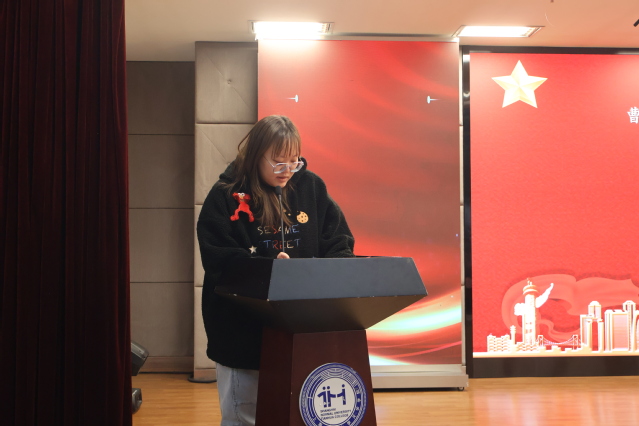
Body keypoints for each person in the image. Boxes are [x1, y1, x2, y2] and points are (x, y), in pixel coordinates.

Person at [197, 115, 355, 426]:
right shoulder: (226, 195)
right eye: (278, 162)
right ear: (256, 155)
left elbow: (339, 243)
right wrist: (268, 271)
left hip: (303, 334)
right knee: (244, 418)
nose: (287, 170)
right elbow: (218, 260)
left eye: (294, 162)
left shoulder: (311, 187)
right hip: (243, 334)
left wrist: (322, 275)